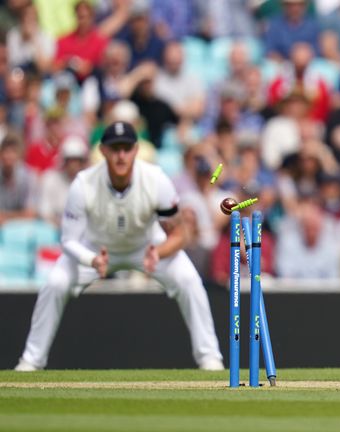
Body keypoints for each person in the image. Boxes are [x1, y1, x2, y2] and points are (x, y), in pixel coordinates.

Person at [15, 121, 224, 371]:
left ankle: (210, 358)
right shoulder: (83, 184)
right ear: (103, 151)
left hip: (147, 246)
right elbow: (68, 240)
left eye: (126, 148)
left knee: (189, 280)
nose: (121, 155)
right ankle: (31, 361)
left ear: (136, 150)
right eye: (115, 149)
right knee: (55, 283)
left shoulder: (156, 179)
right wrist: (90, 260)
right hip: (95, 249)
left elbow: (180, 234)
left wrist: (158, 253)